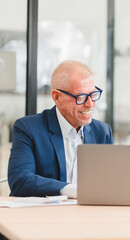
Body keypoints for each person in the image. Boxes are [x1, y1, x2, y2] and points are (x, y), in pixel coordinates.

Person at [8, 60, 113, 198]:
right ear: (57, 97)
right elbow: (20, 181)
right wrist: (72, 191)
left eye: (93, 95)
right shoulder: (28, 128)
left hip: (89, 215)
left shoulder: (102, 132)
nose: (90, 104)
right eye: (81, 97)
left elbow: (111, 182)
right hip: (45, 215)